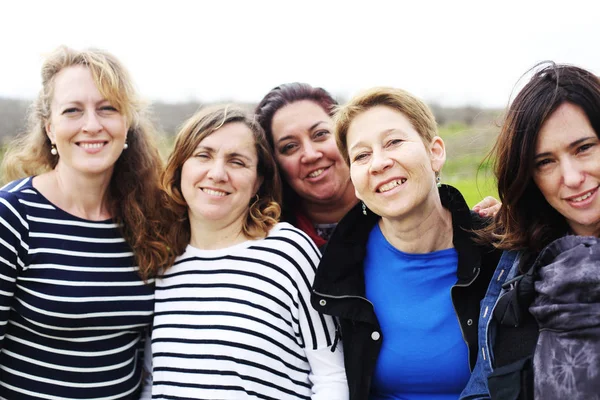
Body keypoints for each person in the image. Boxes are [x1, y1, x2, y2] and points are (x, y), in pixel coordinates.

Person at [141, 105, 348, 399]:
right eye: (203, 155)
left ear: (258, 182)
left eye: (237, 162)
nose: (217, 173)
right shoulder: (163, 263)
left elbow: (332, 376)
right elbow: (152, 383)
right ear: (180, 167)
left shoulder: (287, 251)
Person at [310, 87, 501, 400]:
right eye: (361, 155)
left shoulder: (499, 249)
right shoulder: (339, 268)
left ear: (435, 152)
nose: (379, 163)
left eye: (394, 142)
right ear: (355, 182)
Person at [0, 46, 169, 398]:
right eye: (73, 110)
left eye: (107, 109)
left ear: (127, 125)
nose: (92, 125)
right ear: (50, 128)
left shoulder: (147, 218)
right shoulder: (13, 216)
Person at [460, 63, 600, 400]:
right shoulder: (517, 261)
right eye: (545, 162)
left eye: (583, 148)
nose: (571, 177)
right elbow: (483, 387)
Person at [256, 83, 500, 248]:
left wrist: (504, 225)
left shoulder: (411, 212)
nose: (310, 154)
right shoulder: (273, 243)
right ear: (275, 165)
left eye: (320, 134)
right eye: (289, 147)